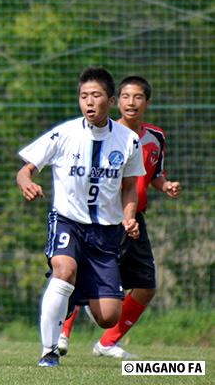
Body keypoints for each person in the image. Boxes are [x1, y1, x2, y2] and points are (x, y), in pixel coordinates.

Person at [16, 67, 146, 367]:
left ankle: (82, 295)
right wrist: (27, 183)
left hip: (106, 233)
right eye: (83, 96)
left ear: (110, 101)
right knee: (63, 270)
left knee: (108, 316)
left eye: (96, 96)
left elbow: (129, 187)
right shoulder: (64, 134)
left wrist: (129, 216)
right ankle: (48, 352)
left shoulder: (128, 140)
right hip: (68, 222)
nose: (89, 102)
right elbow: (24, 170)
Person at [57, 76, 182, 358]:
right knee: (76, 272)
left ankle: (107, 342)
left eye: (138, 97)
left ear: (147, 102)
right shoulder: (106, 135)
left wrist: (165, 185)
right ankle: (61, 333)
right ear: (116, 101)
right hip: (104, 219)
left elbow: (154, 174)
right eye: (125, 97)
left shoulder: (156, 137)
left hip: (135, 220)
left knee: (146, 286)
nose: (131, 103)